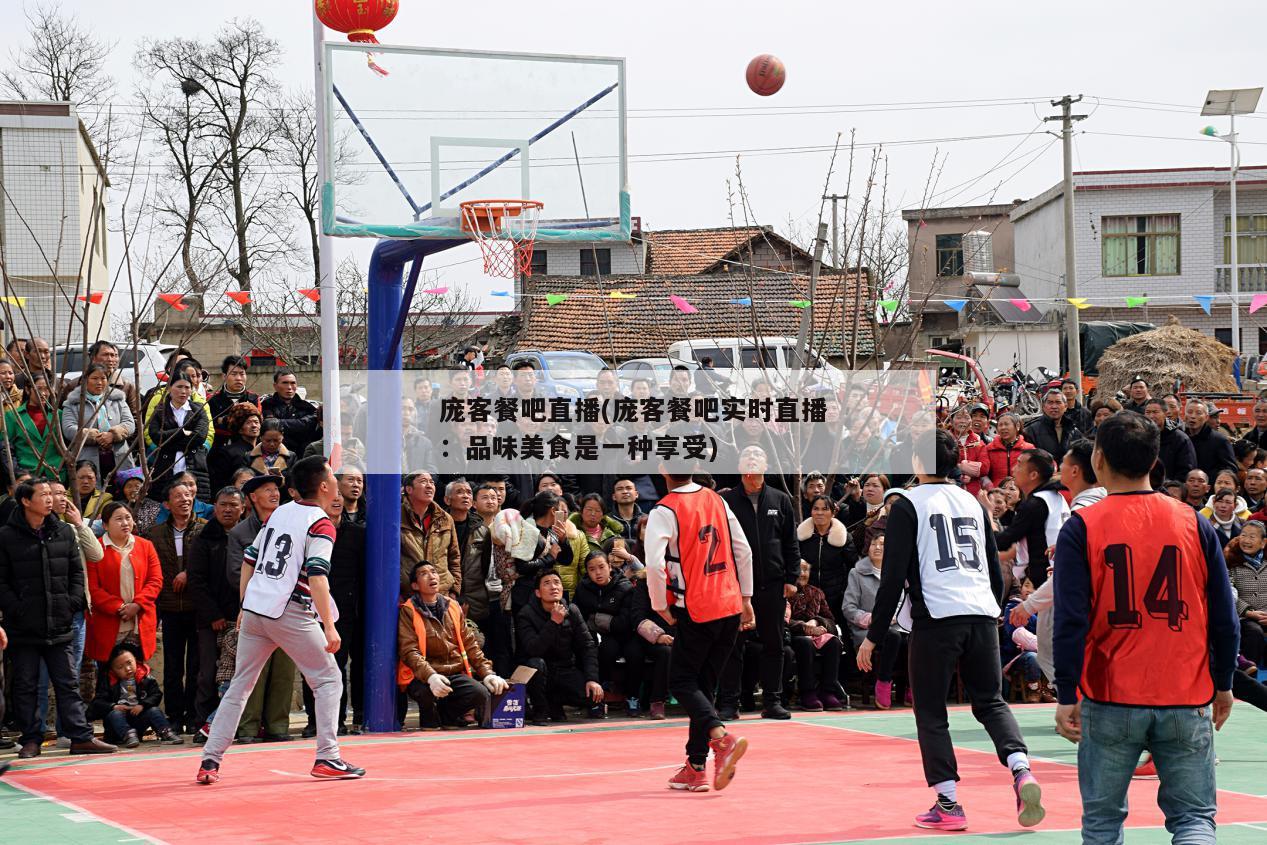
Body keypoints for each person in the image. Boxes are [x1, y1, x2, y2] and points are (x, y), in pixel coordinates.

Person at [1052, 412, 1239, 844]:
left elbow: (1070, 622)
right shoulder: (1194, 522)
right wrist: (1224, 682)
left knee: (1102, 823)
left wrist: (1065, 693)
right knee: (1194, 820)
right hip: (1185, 690)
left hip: (1111, 692)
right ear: (1156, 460)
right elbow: (1223, 615)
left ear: (1098, 459)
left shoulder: (1083, 526)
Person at [858, 429, 1043, 832]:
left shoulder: (908, 505)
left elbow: (892, 578)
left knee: (930, 710)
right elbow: (994, 567)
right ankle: (1021, 768)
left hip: (937, 617)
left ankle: (948, 803)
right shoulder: (972, 501)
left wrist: (873, 635)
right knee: (991, 702)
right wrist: (992, 608)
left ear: (918, 463)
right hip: (979, 612)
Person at [196, 456, 364, 784]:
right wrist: (329, 625)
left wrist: (245, 604)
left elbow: (249, 558)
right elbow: (317, 575)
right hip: (287, 610)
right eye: (332, 477)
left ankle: (210, 760)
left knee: (240, 686)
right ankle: (327, 756)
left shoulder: (280, 513)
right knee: (329, 679)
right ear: (325, 486)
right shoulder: (321, 523)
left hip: (258, 607)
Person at [645, 459, 754, 792]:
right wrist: (747, 597)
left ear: (663, 468)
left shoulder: (665, 510)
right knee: (702, 686)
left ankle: (720, 739)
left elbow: (653, 563)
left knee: (680, 681)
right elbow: (743, 550)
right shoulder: (716, 499)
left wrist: (660, 605)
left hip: (697, 606)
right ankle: (696, 765)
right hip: (729, 603)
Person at [0, 478, 117, 757]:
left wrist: (71, 603)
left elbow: (78, 572)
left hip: (61, 622)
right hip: (23, 627)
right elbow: (1, 582)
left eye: (51, 495)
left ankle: (80, 736)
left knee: (68, 682)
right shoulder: (6, 536)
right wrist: (17, 608)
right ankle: (31, 738)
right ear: (26, 501)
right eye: (43, 495)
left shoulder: (63, 531)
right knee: (27, 684)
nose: (50, 499)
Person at [1008, 439, 1103, 686]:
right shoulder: (1089, 501)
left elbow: (1069, 571)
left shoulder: (1082, 506)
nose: (1058, 470)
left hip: (1076, 592)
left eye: (1063, 464)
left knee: (1054, 651)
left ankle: (1077, 704)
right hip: (1085, 590)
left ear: (1074, 471)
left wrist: (1029, 606)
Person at [720, 445, 800, 720]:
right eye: (746, 455)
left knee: (774, 645)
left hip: (773, 585)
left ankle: (772, 701)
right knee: (733, 645)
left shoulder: (780, 499)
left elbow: (790, 542)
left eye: (757, 456)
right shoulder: (727, 501)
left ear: (766, 465)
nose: (752, 459)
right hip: (737, 587)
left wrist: (791, 578)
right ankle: (730, 702)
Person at [226, 473, 295, 743]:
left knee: (283, 671)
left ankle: (278, 726)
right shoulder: (241, 532)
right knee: (253, 669)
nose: (274, 494)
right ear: (253, 498)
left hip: (287, 607)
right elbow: (235, 573)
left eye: (276, 489)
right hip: (256, 607)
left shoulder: (291, 524)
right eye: (267, 490)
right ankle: (247, 728)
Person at [397, 560, 507, 729]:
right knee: (424, 694)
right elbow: (409, 650)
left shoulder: (453, 607)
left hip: (453, 672)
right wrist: (431, 676)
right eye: (424, 573)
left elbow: (470, 644)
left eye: (433, 571)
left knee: (480, 692)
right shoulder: (408, 610)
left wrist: (487, 673)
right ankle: (430, 718)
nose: (431, 576)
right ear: (415, 585)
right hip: (423, 675)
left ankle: (447, 715)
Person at [147, 480, 205, 734]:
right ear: (166, 504)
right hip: (169, 607)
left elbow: (209, 564)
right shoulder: (155, 533)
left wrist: (188, 574)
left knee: (196, 666)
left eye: (188, 495)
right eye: (178, 496)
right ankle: (174, 715)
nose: (185, 499)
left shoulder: (205, 528)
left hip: (197, 607)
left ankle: (193, 715)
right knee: (172, 667)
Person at [186, 487, 245, 729]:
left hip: (243, 617)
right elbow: (196, 580)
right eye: (223, 504)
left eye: (233, 505)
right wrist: (213, 614)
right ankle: (203, 722)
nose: (228, 509)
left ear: (243, 508)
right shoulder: (203, 539)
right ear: (215, 506)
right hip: (211, 620)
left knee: (240, 674)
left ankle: (237, 724)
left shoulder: (250, 536)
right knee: (208, 673)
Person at [515, 568, 604, 723]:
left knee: (594, 699)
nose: (553, 587)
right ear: (538, 593)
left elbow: (587, 645)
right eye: (547, 584)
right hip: (538, 672)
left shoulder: (572, 610)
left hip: (565, 669)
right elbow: (533, 649)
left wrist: (592, 679)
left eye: (557, 583)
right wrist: (553, 622)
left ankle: (554, 702)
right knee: (536, 664)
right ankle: (540, 709)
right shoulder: (526, 614)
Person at [86, 501, 164, 668]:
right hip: (108, 622)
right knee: (107, 675)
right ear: (105, 525)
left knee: (138, 673)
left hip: (139, 621)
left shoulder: (145, 546)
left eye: (128, 518)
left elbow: (155, 580)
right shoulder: (95, 549)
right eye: (119, 519)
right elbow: (92, 588)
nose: (125, 523)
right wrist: (119, 607)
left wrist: (137, 604)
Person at [845, 532, 908, 708]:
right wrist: (873, 619)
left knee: (909, 640)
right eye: (874, 544)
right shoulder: (856, 573)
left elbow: (902, 601)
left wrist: (892, 617)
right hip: (867, 630)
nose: (878, 547)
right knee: (894, 637)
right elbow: (848, 608)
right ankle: (883, 682)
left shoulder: (897, 572)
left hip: (895, 625)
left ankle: (911, 688)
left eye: (882, 544)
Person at [995, 449, 1068, 588]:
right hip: (1059, 572)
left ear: (1033, 475)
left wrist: (987, 517)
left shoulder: (1035, 504)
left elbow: (1004, 541)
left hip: (1049, 578)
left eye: (1019, 464)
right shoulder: (1055, 496)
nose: (1013, 469)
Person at [575, 550, 637, 713]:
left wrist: (597, 619)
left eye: (601, 567)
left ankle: (633, 697)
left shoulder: (625, 587)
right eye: (592, 569)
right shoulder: (582, 589)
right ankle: (598, 698)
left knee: (635, 653)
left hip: (627, 634)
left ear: (610, 567)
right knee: (603, 649)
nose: (597, 573)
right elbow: (578, 617)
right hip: (602, 637)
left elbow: (624, 622)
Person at [88, 641, 183, 747]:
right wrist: (114, 706)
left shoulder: (145, 678)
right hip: (117, 725)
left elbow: (156, 694)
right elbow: (97, 702)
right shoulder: (108, 681)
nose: (127, 669)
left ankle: (166, 732)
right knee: (115, 714)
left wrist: (143, 705)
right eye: (120, 667)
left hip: (138, 718)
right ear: (113, 670)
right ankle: (128, 736)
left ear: (136, 661)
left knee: (154, 711)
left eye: (129, 663)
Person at [787, 560, 846, 711]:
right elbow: (781, 620)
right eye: (799, 569)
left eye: (806, 569)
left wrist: (816, 621)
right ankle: (807, 693)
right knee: (804, 643)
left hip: (816, 633)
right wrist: (804, 627)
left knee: (833, 642)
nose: (802, 573)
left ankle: (827, 692)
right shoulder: (785, 591)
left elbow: (831, 621)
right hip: (792, 634)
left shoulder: (816, 593)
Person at [61, 363, 136, 483]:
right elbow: (68, 429)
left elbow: (130, 423)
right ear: (85, 381)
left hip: (119, 457)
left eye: (103, 378)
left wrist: (113, 435)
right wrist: (93, 436)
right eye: (95, 378)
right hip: (87, 459)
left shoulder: (117, 399)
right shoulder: (73, 403)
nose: (99, 382)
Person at [146, 375, 212, 501]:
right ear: (170, 388)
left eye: (187, 387)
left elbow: (199, 437)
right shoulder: (160, 411)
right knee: (164, 507)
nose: (183, 391)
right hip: (165, 469)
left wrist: (169, 441)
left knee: (195, 508)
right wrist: (182, 432)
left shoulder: (198, 410)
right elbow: (156, 437)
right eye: (179, 387)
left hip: (194, 466)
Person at [797, 495, 857, 627]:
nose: (819, 513)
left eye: (824, 509)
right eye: (816, 508)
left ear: (833, 512)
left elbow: (853, 566)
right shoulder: (800, 536)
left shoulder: (844, 537)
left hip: (836, 597)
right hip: (806, 595)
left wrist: (844, 591)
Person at [399, 471, 461, 597]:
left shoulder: (445, 519)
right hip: (409, 595)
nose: (429, 486)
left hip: (442, 594)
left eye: (432, 482)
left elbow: (454, 557)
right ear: (409, 489)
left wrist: (454, 591)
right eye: (423, 482)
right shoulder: (396, 516)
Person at [5, 371, 64, 480]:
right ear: (27, 390)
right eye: (38, 389)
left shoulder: (58, 415)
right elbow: (6, 449)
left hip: (56, 474)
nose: (43, 393)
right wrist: (17, 472)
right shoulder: (12, 416)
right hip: (28, 475)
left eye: (46, 389)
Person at [1226, 519, 1267, 669]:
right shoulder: (1231, 562)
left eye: (1252, 536)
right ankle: (1248, 679)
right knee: (1254, 633)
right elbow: (1228, 594)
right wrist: (1249, 612)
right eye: (1243, 535)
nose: (1246, 540)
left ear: (1263, 543)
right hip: (1244, 617)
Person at [260, 369, 321, 456]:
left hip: (303, 454)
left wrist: (278, 422)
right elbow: (268, 427)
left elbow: (307, 425)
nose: (289, 387)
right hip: (274, 454)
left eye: (293, 383)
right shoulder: (266, 405)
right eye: (285, 383)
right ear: (275, 386)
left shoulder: (308, 407)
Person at [208, 402, 262, 495]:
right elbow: (219, 484)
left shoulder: (264, 450)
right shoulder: (227, 453)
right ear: (240, 429)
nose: (254, 425)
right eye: (248, 422)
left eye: (256, 422)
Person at [207, 356, 259, 445]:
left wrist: (223, 420)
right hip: (220, 448)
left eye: (242, 374)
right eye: (234, 374)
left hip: (248, 447)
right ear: (224, 376)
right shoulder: (213, 400)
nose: (238, 378)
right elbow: (212, 426)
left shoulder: (253, 398)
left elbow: (256, 423)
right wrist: (243, 418)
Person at [1144, 398, 1197, 482]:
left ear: (1165, 414)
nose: (1151, 416)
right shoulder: (1140, 437)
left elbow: (1186, 470)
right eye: (1148, 412)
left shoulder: (1180, 439)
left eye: (1155, 412)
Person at [1185, 399, 1237, 482]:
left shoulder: (1220, 441)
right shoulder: (1181, 438)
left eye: (1198, 413)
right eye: (1190, 412)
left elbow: (1230, 470)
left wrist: (1207, 479)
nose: (1193, 416)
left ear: (1206, 417)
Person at [1023, 389, 1080, 464]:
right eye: (1050, 403)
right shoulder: (1031, 430)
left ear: (1065, 406)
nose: (1054, 406)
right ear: (1043, 406)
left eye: (1058, 402)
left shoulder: (1073, 429)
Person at [983, 413, 1032, 489]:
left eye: (1006, 424)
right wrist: (990, 487)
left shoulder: (1028, 448)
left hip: (1021, 492)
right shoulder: (989, 449)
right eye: (1000, 425)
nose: (1003, 428)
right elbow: (984, 473)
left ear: (1017, 426)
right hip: (997, 493)